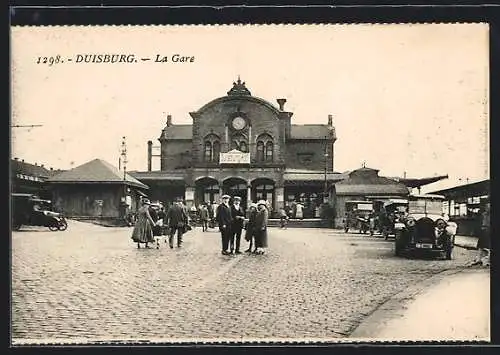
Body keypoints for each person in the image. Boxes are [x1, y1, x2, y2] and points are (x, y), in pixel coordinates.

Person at [469, 202, 490, 267]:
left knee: (488, 246)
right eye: (486, 207)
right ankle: (479, 259)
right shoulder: (483, 215)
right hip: (483, 230)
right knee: (480, 245)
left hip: (489, 230)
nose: (487, 208)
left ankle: (486, 260)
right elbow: (478, 223)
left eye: (488, 207)